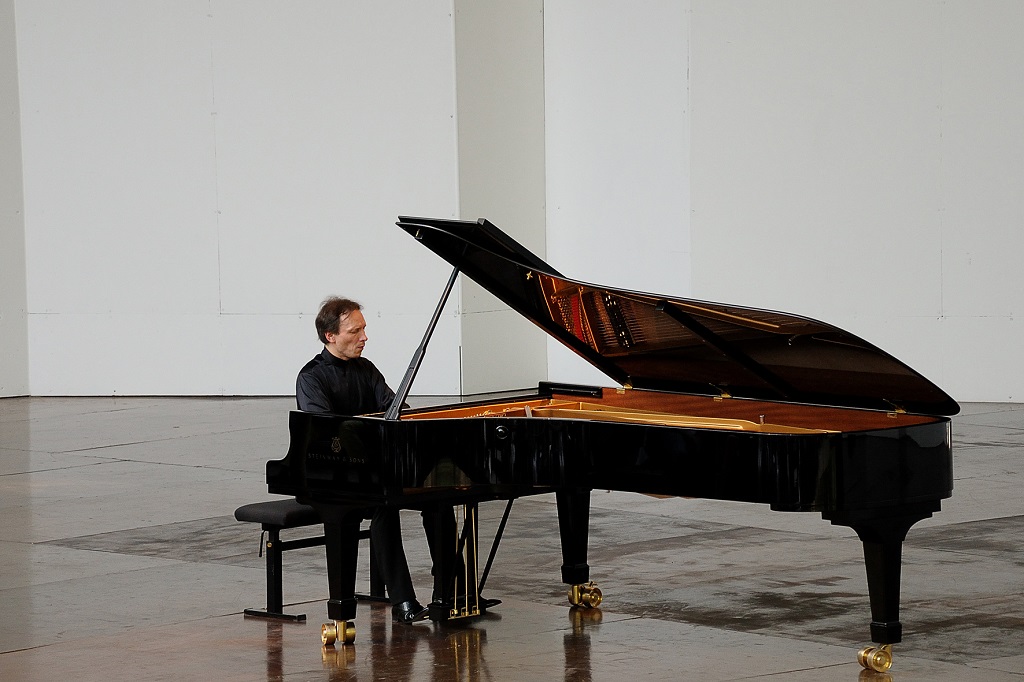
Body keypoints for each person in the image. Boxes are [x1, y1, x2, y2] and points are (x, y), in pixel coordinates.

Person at [296, 296, 433, 623]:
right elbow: (327, 434)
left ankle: (452, 593)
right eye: (355, 331)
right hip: (332, 478)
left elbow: (395, 409)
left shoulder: (366, 369)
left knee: (437, 496)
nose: (364, 337)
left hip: (372, 471)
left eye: (364, 329)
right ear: (331, 336)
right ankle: (403, 601)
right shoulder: (311, 377)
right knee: (385, 504)